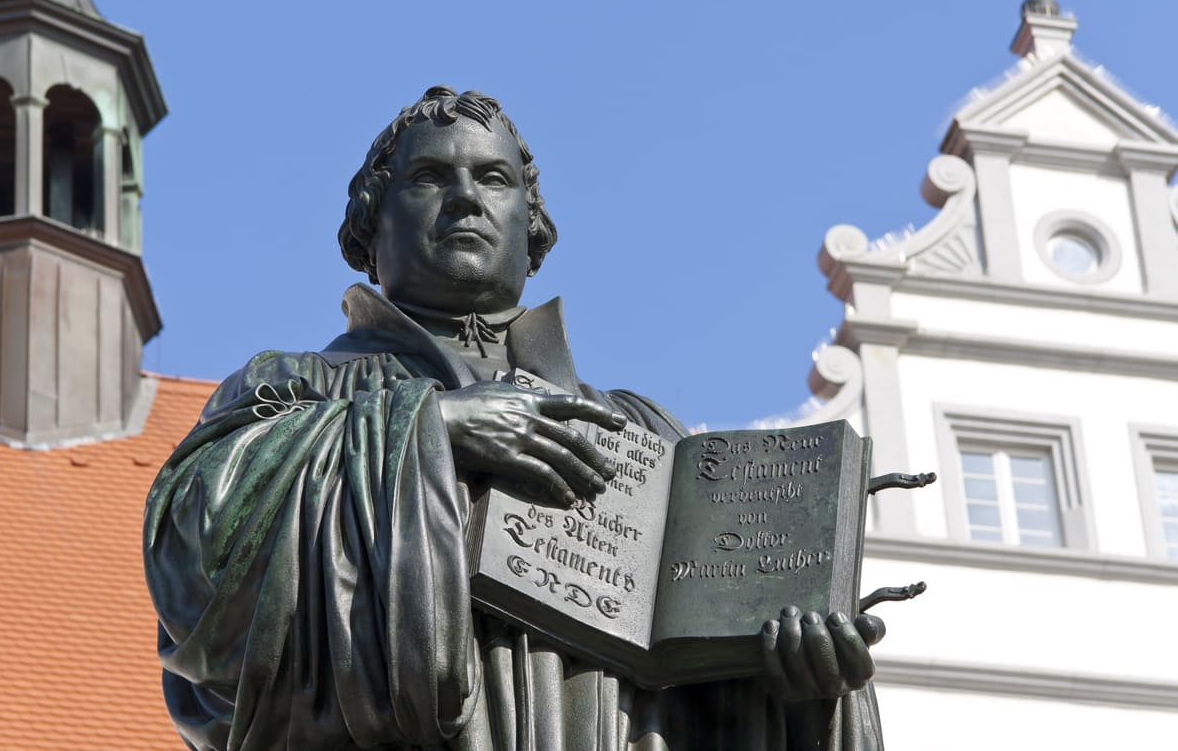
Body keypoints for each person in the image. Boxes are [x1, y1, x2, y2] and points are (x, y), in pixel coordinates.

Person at [144, 86, 885, 750]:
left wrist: (799, 696)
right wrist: (431, 430)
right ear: (371, 225)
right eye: (430, 177)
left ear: (532, 229)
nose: (464, 197)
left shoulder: (646, 434)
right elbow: (195, 562)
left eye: (492, 178)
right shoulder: (297, 388)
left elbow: (697, 696)